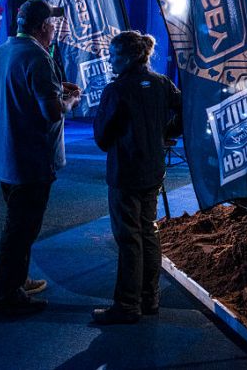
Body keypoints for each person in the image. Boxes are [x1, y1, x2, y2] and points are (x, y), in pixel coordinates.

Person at [0, 0, 81, 316]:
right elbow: (52, 113)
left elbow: (18, 96)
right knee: (21, 229)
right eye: (52, 24)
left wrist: (55, 89)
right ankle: (6, 295)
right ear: (43, 27)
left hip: (5, 157)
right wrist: (70, 100)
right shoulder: (38, 58)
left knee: (19, 225)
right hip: (30, 161)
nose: (55, 29)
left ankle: (18, 280)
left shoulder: (2, 52)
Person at [92, 31, 182, 325]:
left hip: (126, 171)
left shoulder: (117, 90)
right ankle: (149, 297)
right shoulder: (161, 83)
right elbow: (185, 110)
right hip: (153, 169)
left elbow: (103, 138)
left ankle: (128, 304)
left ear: (129, 57)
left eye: (115, 55)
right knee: (148, 231)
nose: (110, 60)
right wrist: (166, 134)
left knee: (130, 237)